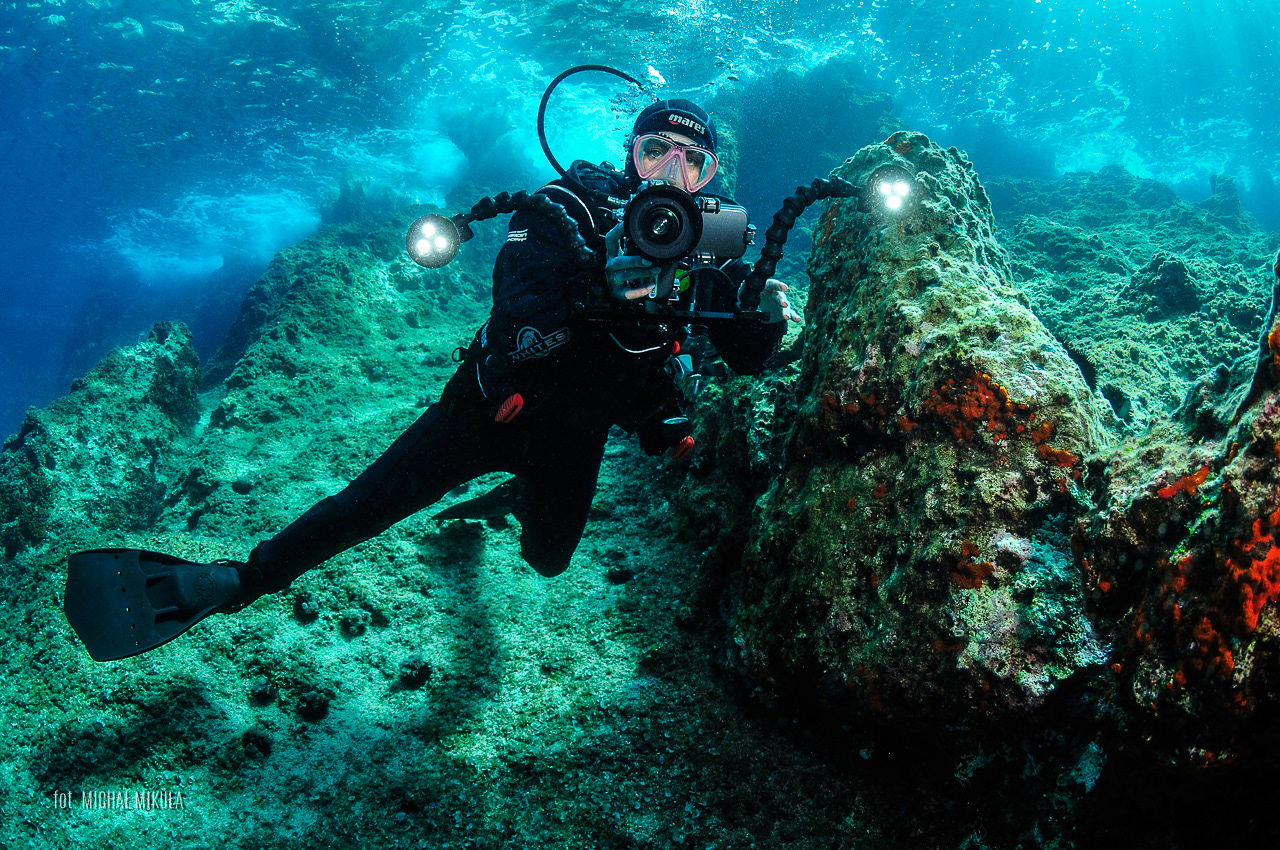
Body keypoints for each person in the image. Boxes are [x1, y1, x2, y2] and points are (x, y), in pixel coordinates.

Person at [64, 99, 801, 661]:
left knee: (548, 562)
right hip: (490, 408)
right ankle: (237, 580)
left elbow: (742, 355)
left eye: (691, 163)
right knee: (365, 507)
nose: (670, 175)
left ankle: (514, 498)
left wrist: (764, 318)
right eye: (655, 150)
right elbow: (517, 318)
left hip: (571, 436)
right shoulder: (558, 212)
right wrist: (600, 283)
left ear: (710, 177)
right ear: (629, 155)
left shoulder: (709, 244)